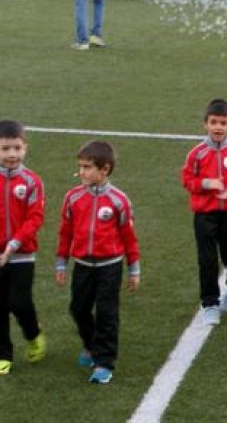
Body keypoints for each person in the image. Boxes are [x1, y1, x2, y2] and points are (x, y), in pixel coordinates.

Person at [55, 140, 141, 385]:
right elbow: (65, 233)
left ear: (105, 170)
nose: (81, 172)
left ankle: (104, 362)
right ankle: (91, 344)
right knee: (78, 309)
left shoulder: (118, 201)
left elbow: (129, 237)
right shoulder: (73, 198)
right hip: (82, 265)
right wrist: (61, 262)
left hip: (110, 267)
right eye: (80, 166)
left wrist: (134, 268)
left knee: (107, 313)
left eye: (87, 167)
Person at [181, 99, 227, 326]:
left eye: (223, 123)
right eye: (213, 122)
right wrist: (207, 184)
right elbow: (187, 180)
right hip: (204, 215)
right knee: (207, 260)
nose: (218, 127)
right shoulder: (197, 154)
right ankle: (210, 303)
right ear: (205, 125)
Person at [0, 120, 47, 377]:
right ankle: (3, 355)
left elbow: (35, 218)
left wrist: (12, 245)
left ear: (25, 148)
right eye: (5, 148)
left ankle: (33, 333)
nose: (12, 154)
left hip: (22, 254)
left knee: (19, 301)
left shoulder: (32, 182)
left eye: (17, 148)